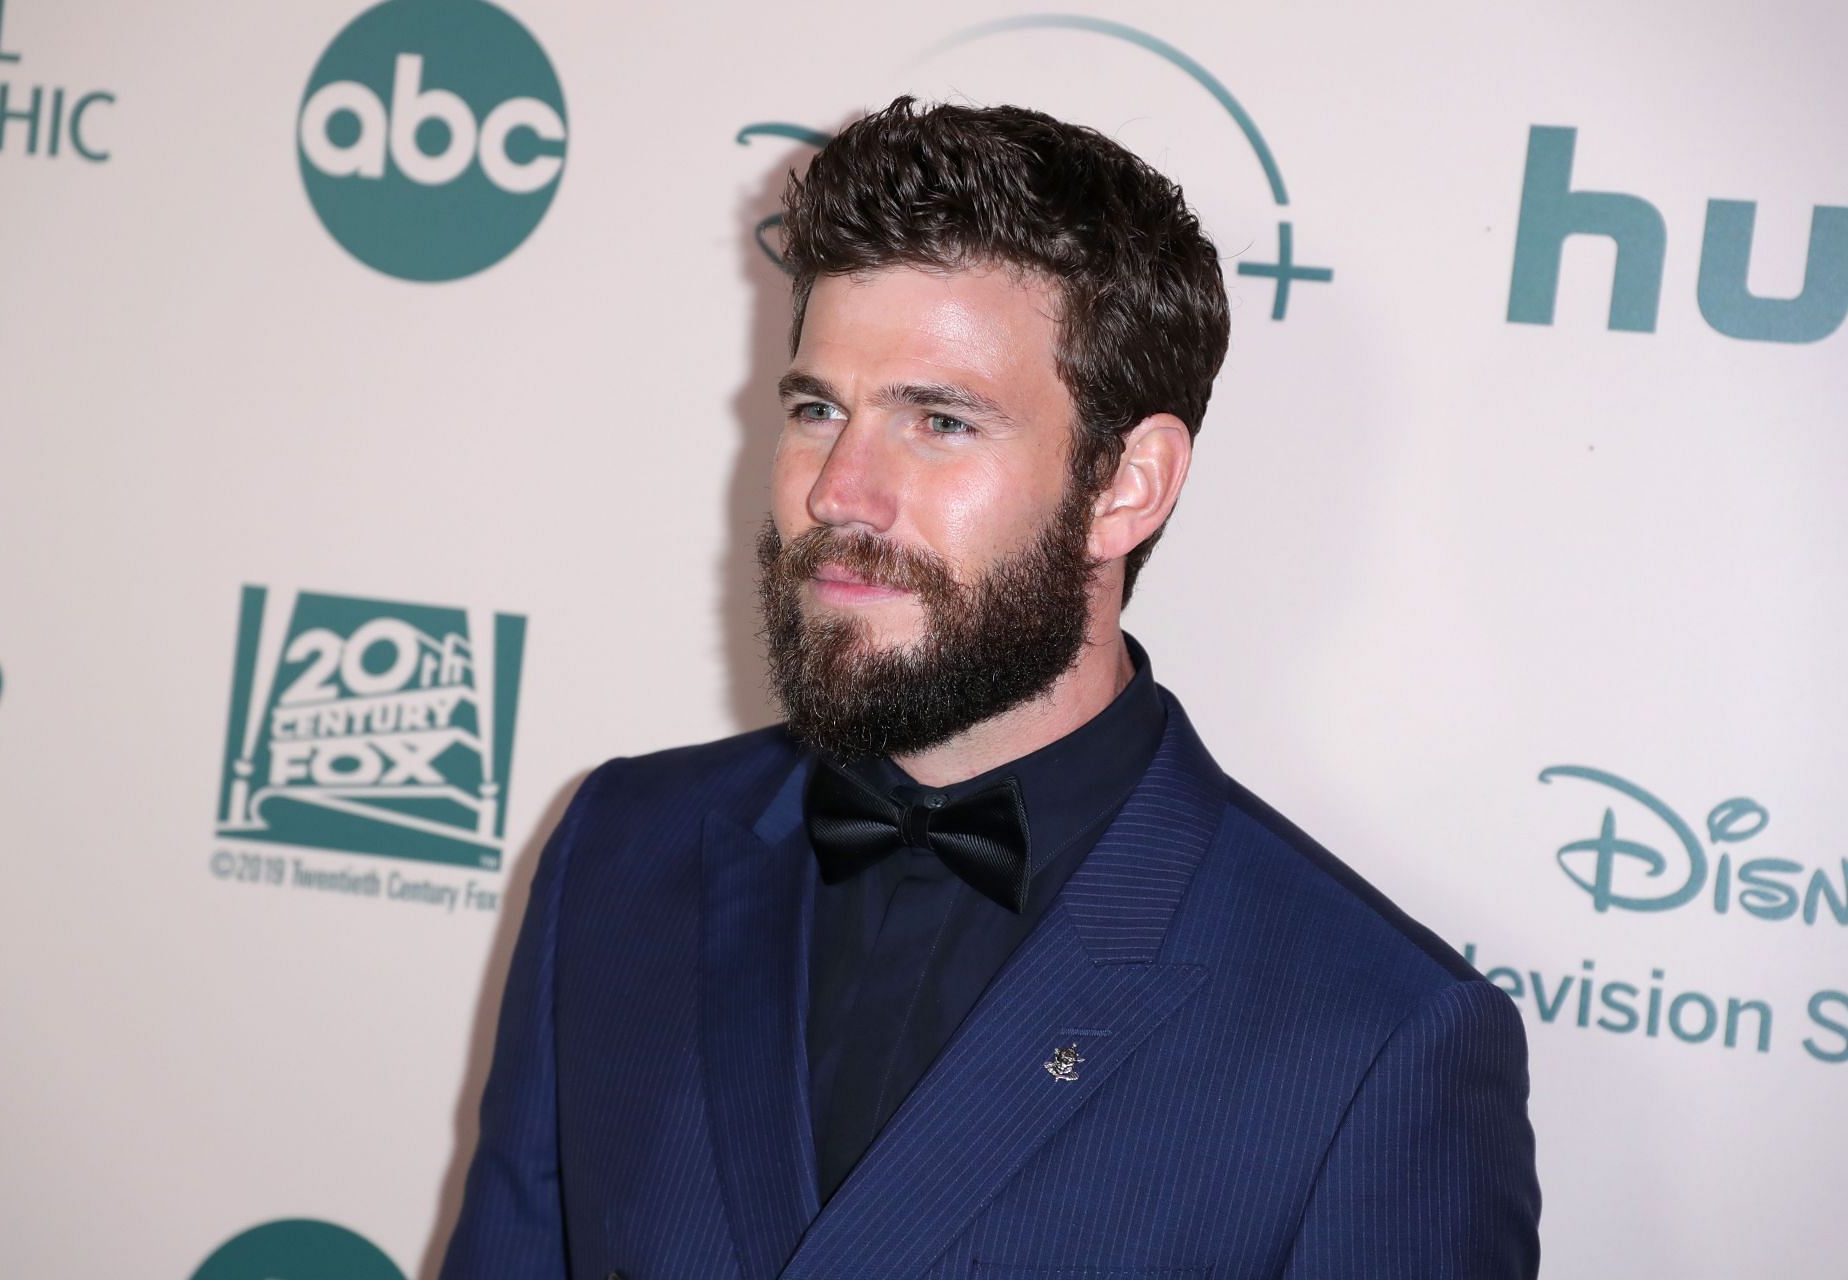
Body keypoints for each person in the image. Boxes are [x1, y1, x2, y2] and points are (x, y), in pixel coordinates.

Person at [442, 97, 1539, 1279]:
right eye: (819, 409)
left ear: (1126, 485)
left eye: (940, 419)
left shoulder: (1375, 1035)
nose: (839, 492)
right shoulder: (621, 849)